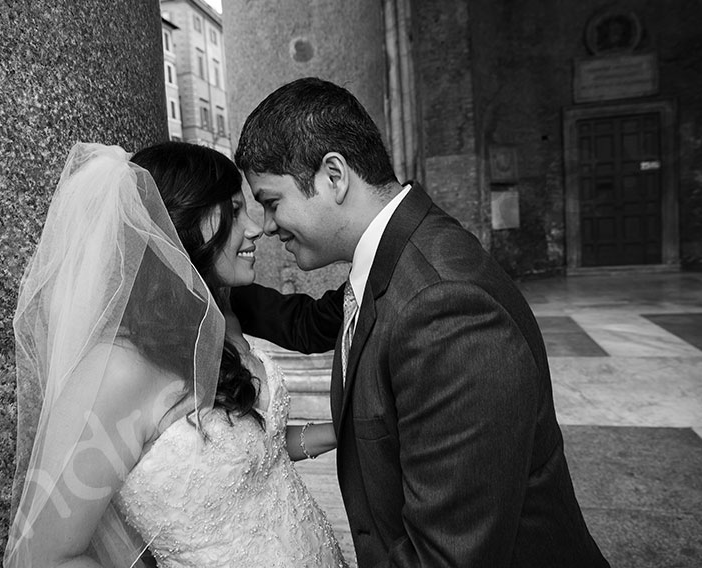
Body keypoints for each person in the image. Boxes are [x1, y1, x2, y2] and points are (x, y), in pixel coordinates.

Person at [230, 77, 610, 567]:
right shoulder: (397, 256)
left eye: (271, 201)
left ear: (333, 175)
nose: (264, 225)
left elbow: (447, 555)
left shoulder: (445, 308)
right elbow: (313, 322)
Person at [5, 141, 347, 567]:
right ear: (178, 223)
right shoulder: (120, 371)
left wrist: (338, 430)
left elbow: (257, 452)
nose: (257, 228)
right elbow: (45, 558)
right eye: (234, 210)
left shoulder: (222, 322)